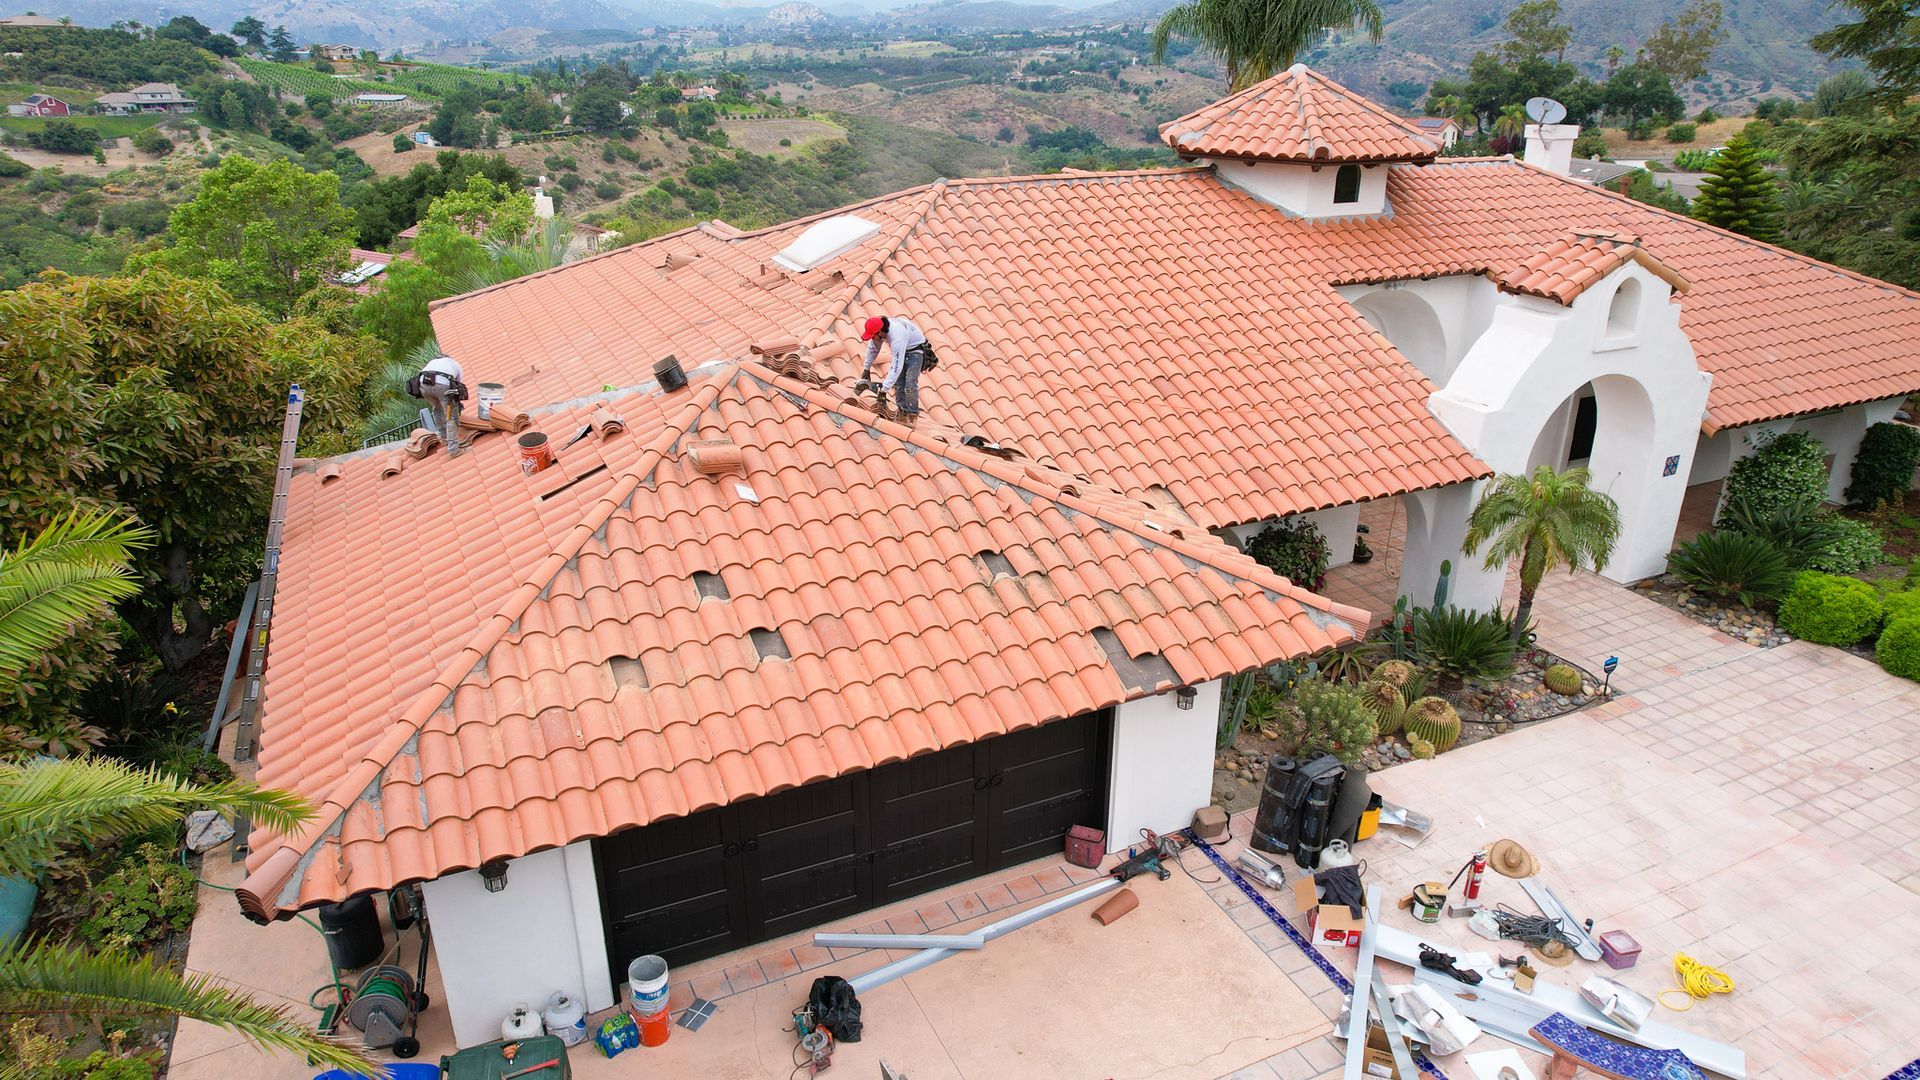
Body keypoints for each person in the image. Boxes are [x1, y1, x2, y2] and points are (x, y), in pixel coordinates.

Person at [860, 315, 929, 418]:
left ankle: (912, 415)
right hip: (904, 347)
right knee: (898, 383)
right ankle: (902, 411)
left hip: (916, 350)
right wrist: (866, 368)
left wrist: (883, 391)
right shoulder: (879, 331)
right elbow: (873, 350)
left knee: (910, 382)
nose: (872, 338)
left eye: (872, 336)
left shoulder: (897, 336)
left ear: (879, 332)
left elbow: (896, 367)